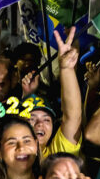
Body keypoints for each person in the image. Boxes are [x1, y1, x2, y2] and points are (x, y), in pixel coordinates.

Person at [25, 28, 83, 159]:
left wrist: (67, 69)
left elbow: (72, 116)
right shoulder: (8, 156)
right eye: (32, 119)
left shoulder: (56, 154)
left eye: (46, 120)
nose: (40, 124)